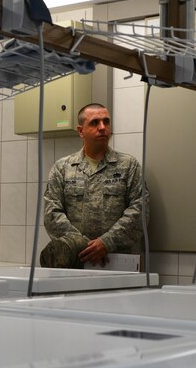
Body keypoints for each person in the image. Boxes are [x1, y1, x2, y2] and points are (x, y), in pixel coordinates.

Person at [42, 103, 148, 268]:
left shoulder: (129, 166)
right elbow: (52, 214)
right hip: (75, 260)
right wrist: (84, 246)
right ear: (80, 130)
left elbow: (140, 211)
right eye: (95, 122)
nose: (102, 127)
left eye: (106, 122)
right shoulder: (62, 168)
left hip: (117, 261)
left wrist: (106, 243)